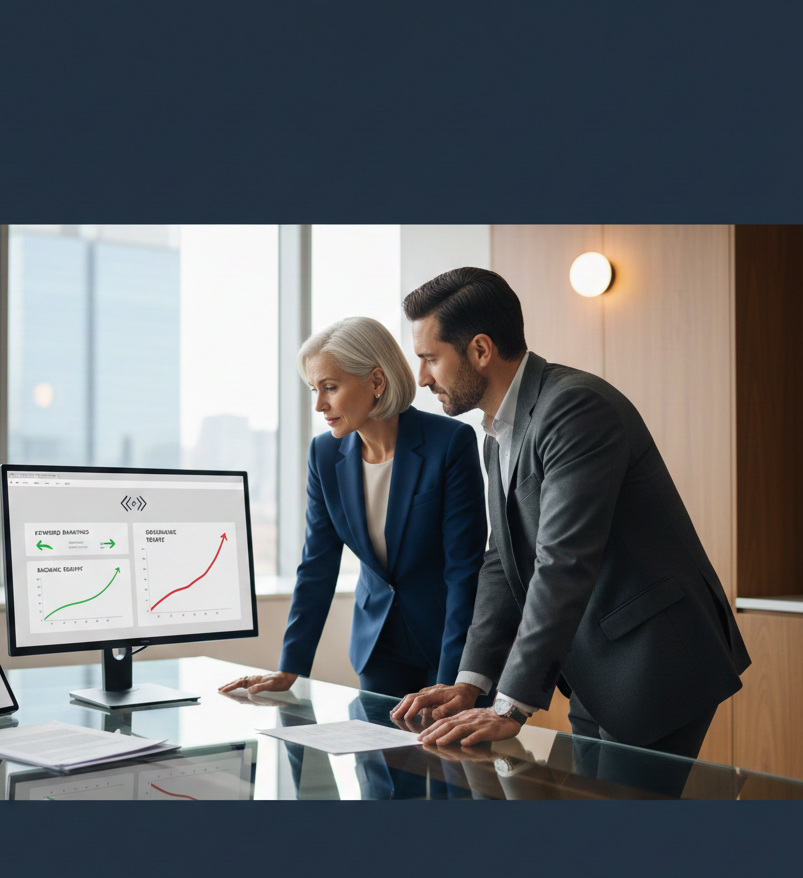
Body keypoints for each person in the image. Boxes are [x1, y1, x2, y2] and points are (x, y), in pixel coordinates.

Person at [391, 268, 750, 758]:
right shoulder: (496, 434)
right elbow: (502, 560)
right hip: (594, 668)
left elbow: (563, 561)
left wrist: (509, 706)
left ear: (480, 350)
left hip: (656, 661)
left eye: (430, 358)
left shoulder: (575, 407)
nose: (422, 378)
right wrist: (471, 682)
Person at [219, 315, 487, 700]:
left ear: (376, 381)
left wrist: (451, 680)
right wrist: (290, 666)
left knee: (450, 759)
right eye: (314, 389)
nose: (319, 405)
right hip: (378, 650)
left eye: (330, 387)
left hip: (449, 647)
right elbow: (317, 565)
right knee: (378, 758)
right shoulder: (324, 454)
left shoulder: (450, 442)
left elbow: (465, 570)